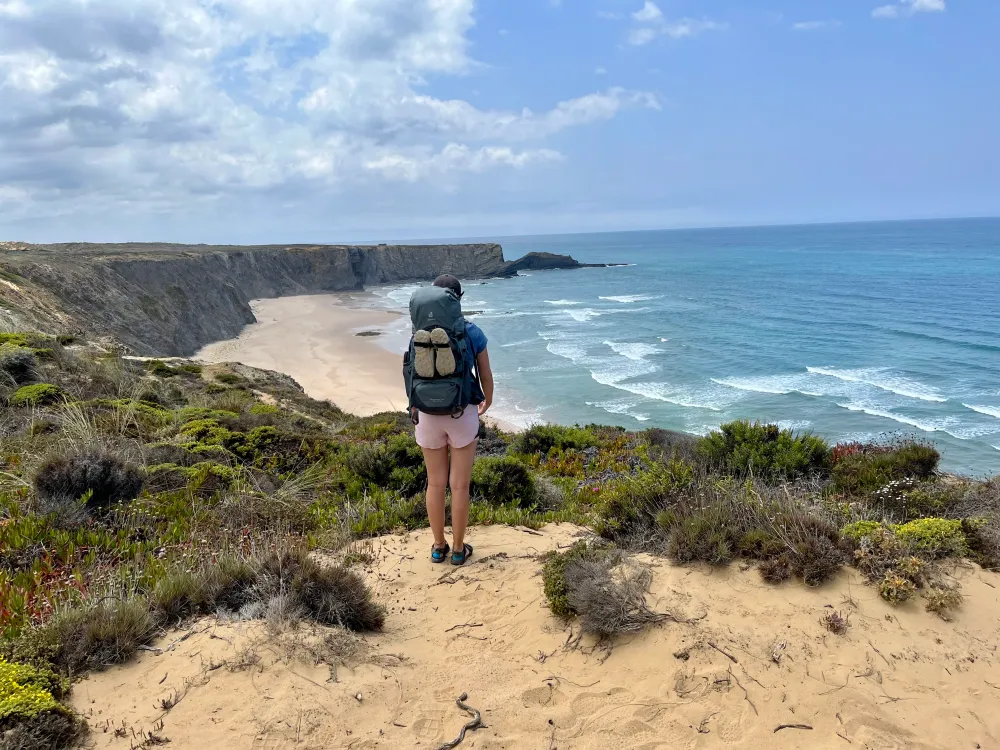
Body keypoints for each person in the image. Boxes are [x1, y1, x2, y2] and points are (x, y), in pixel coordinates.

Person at [411, 275, 493, 566]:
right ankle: (458, 549)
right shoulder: (471, 332)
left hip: (427, 415)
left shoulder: (418, 331)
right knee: (459, 486)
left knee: (434, 484)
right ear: (458, 298)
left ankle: (437, 547)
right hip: (461, 412)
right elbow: (484, 373)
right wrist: (488, 399)